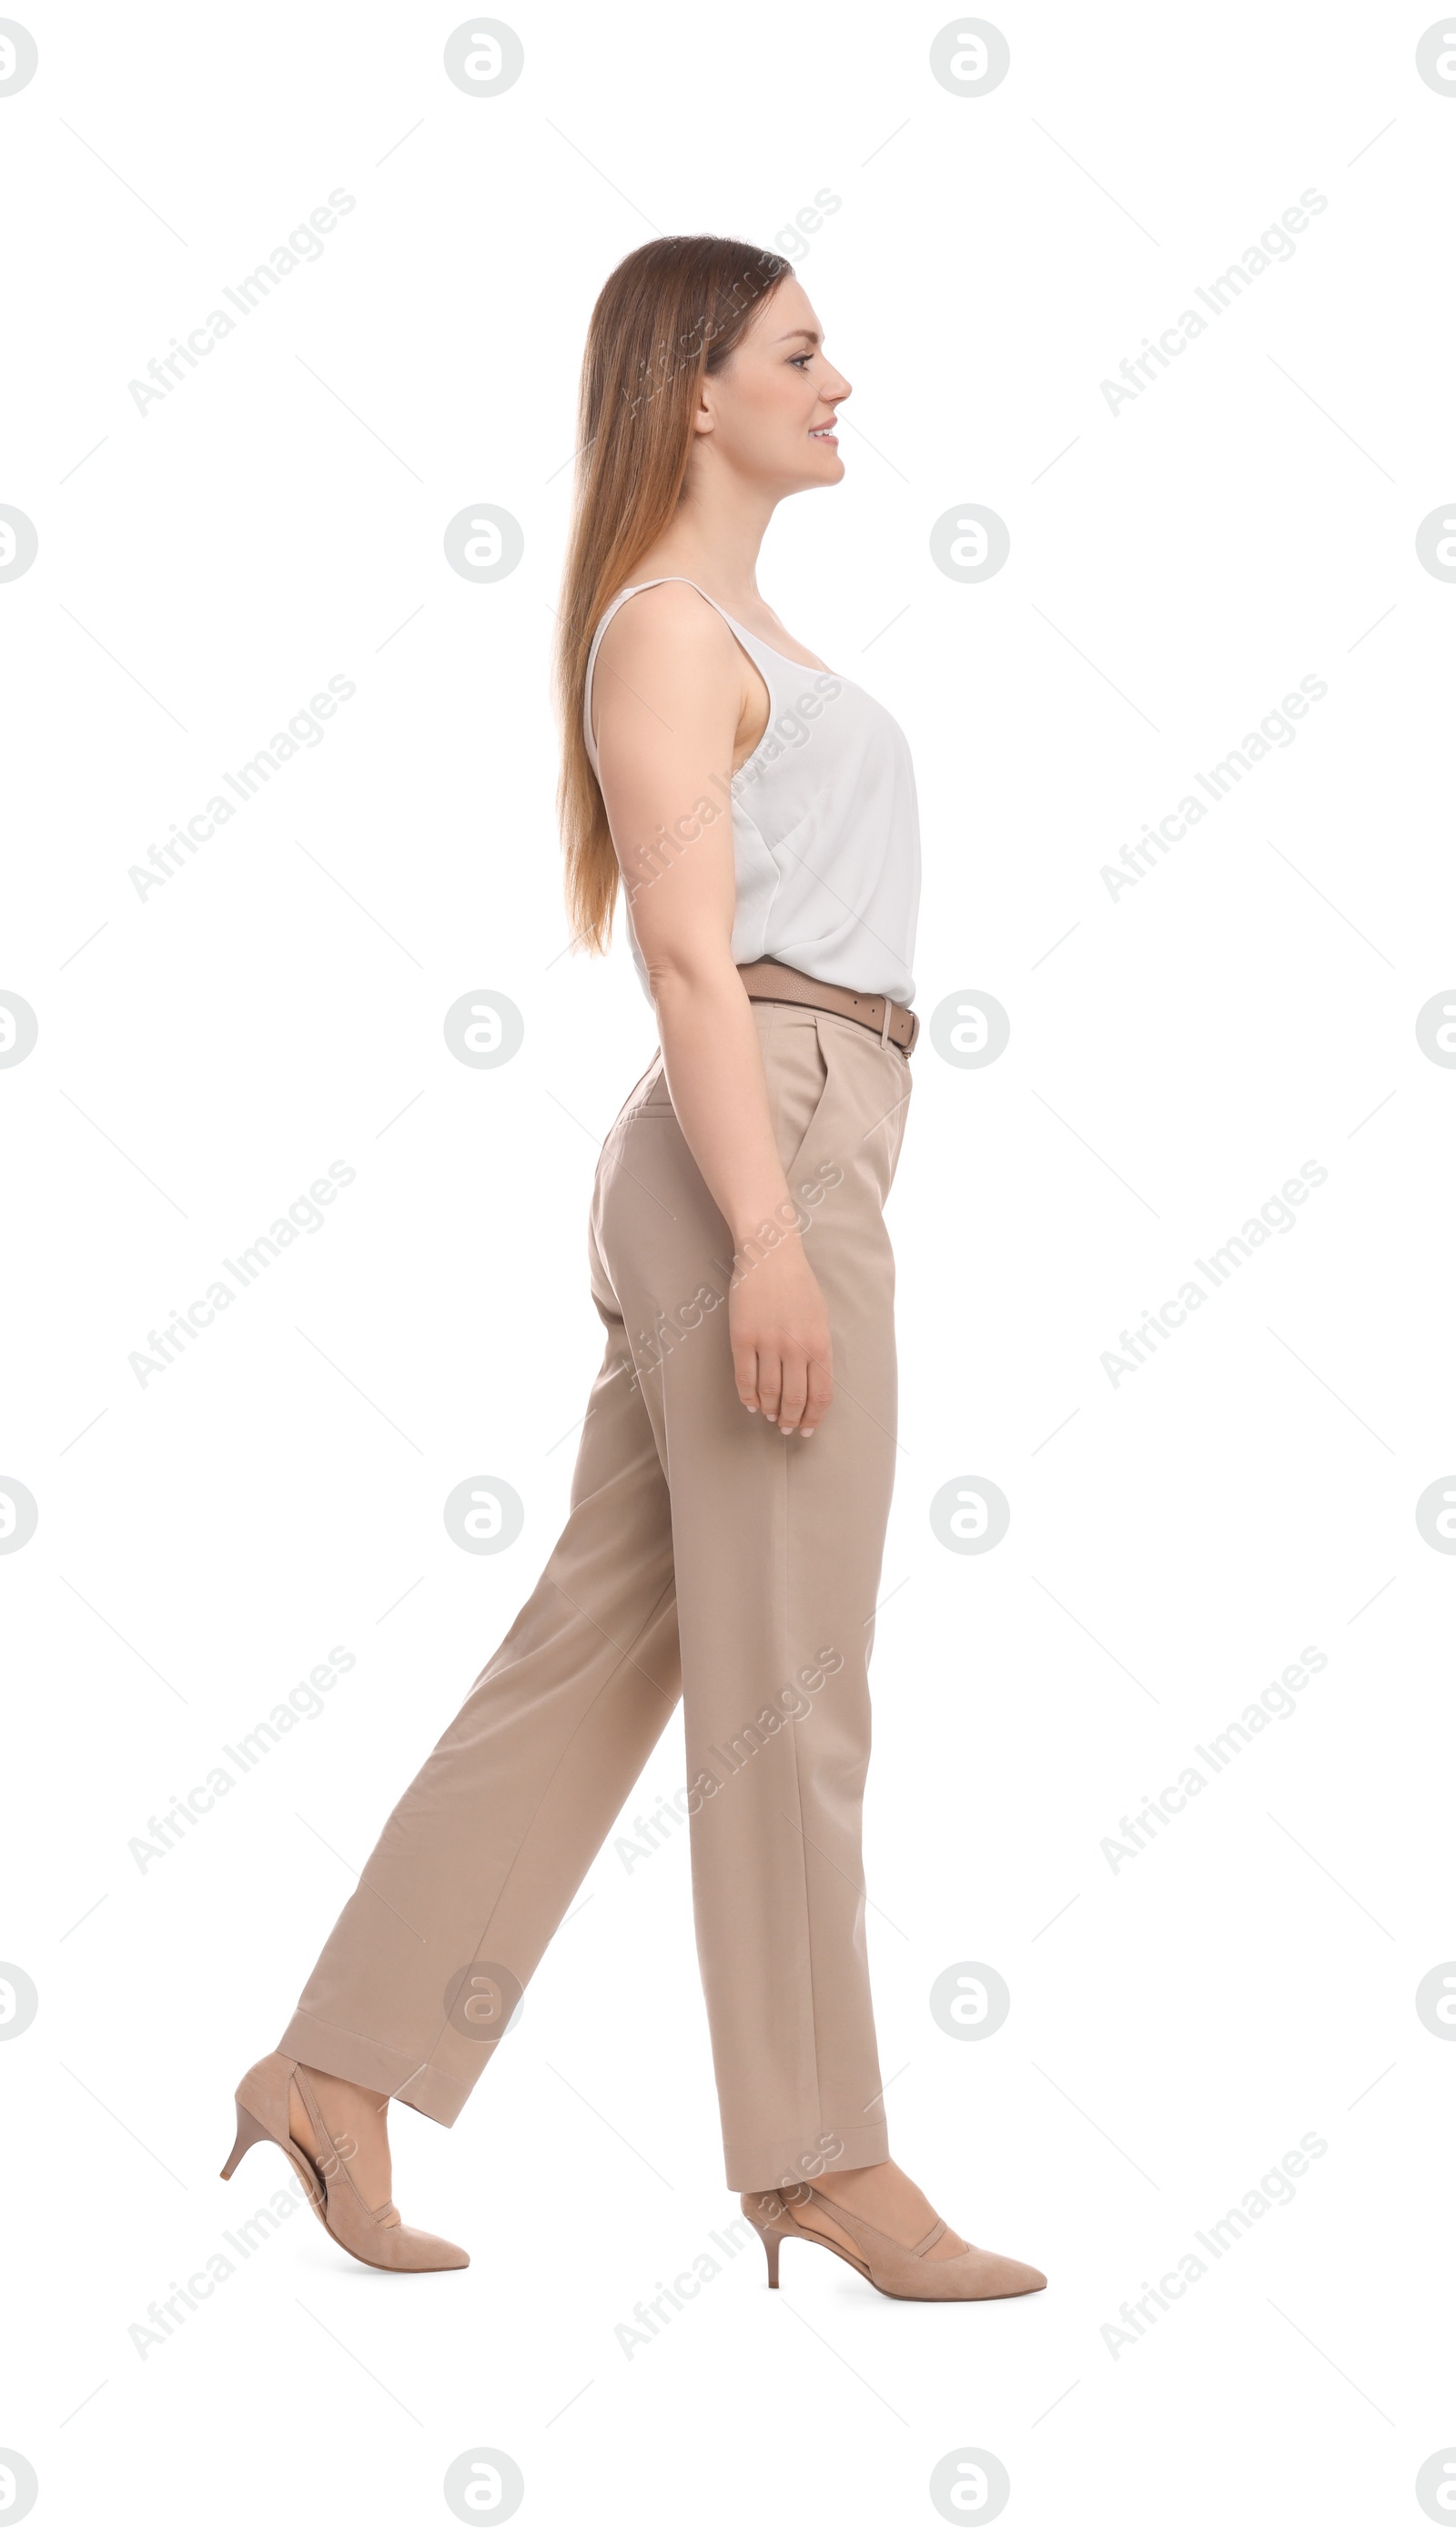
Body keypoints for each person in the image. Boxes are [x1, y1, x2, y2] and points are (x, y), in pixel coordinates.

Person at [223, 235, 1046, 2303]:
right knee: (791, 1684)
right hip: (751, 1143)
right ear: (696, 388)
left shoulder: (745, 623)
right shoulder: (665, 629)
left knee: (603, 1641)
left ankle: (336, 2067)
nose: (837, 377)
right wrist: (771, 1237)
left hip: (798, 1128)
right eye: (797, 347)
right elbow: (686, 954)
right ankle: (822, 2156)